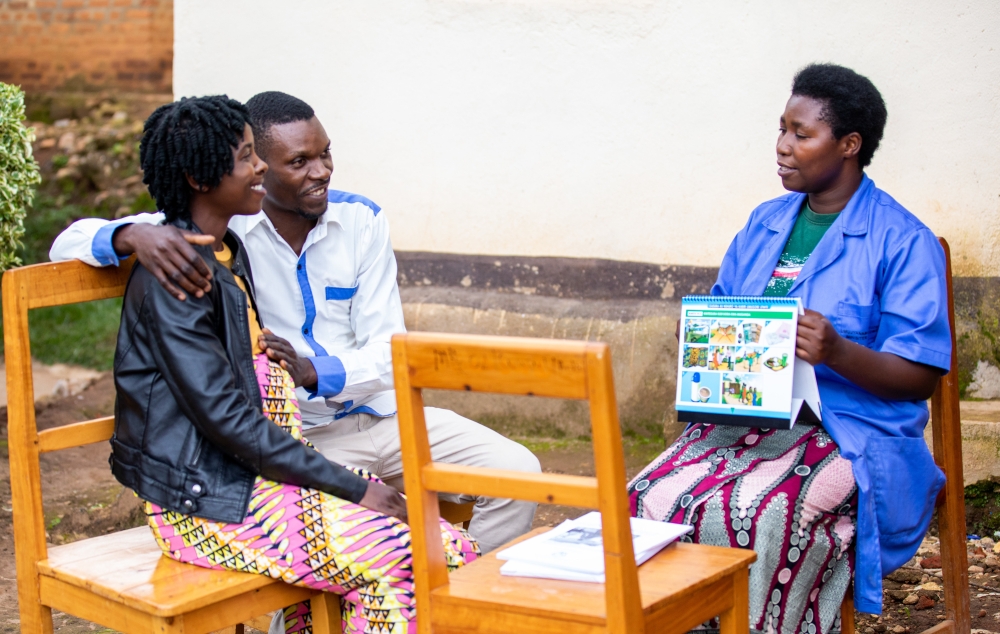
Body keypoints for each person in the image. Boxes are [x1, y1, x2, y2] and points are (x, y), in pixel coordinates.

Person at [49, 91, 540, 556]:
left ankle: (450, 604)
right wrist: (132, 234)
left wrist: (314, 370)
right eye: (299, 161)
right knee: (346, 542)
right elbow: (68, 242)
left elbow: (391, 350)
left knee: (520, 474)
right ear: (254, 167)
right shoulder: (225, 226)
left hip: (385, 417)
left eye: (325, 155)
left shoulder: (361, 220)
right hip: (297, 439)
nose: (321, 172)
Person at [115, 94, 479, 634]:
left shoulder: (224, 254)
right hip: (207, 506)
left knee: (449, 545)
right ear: (198, 176)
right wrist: (356, 487)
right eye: (245, 156)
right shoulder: (177, 279)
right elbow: (228, 422)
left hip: (258, 480)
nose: (259, 164)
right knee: (419, 556)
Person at [629, 64, 950, 633]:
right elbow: (727, 308)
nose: (782, 146)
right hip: (742, 427)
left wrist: (837, 351)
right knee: (644, 502)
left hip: (850, 436)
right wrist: (704, 339)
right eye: (781, 129)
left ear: (849, 145)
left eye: (802, 134)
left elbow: (920, 377)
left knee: (767, 515)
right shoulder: (764, 223)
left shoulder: (902, 240)